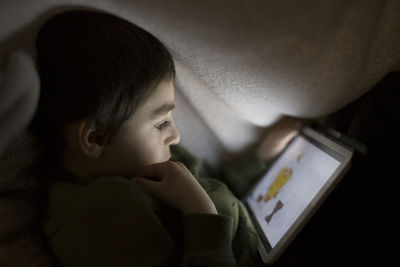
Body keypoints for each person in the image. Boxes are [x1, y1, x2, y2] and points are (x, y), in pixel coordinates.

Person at [30, 9, 303, 266]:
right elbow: (205, 212)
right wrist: (202, 214)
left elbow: (211, 191)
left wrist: (259, 158)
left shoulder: (137, 168)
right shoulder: (100, 218)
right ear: (96, 138)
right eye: (161, 122)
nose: (175, 135)